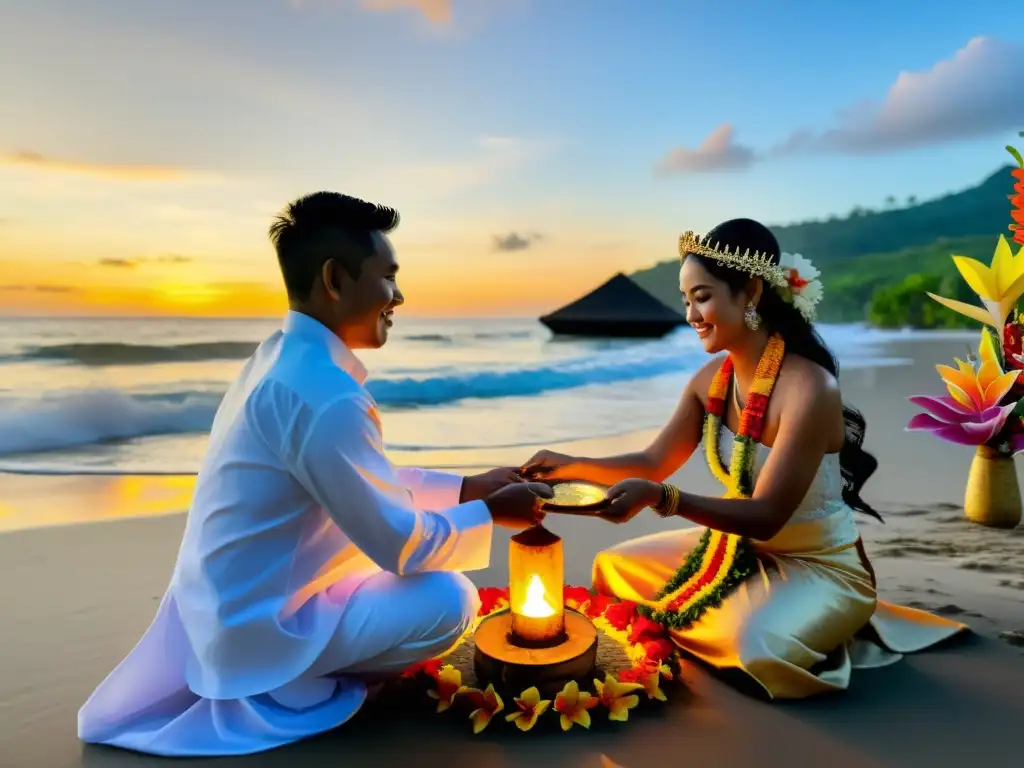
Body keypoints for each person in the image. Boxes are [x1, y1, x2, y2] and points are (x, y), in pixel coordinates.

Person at [78, 192, 553, 756]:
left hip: (223, 612)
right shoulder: (322, 393)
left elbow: (357, 477)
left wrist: (467, 489)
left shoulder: (279, 361)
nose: (398, 296)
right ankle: (297, 687)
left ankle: (298, 669)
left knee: (404, 579)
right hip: (257, 630)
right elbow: (400, 545)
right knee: (451, 600)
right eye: (389, 277)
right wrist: (493, 513)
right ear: (334, 279)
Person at [524, 218, 966, 700]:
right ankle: (745, 612)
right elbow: (652, 462)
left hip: (817, 564)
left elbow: (767, 516)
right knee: (612, 568)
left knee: (755, 649)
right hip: (733, 549)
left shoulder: (810, 388)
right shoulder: (711, 379)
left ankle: (795, 617)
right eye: (686, 299)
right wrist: (567, 464)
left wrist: (662, 498)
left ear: (751, 292)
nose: (691, 314)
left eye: (703, 296)